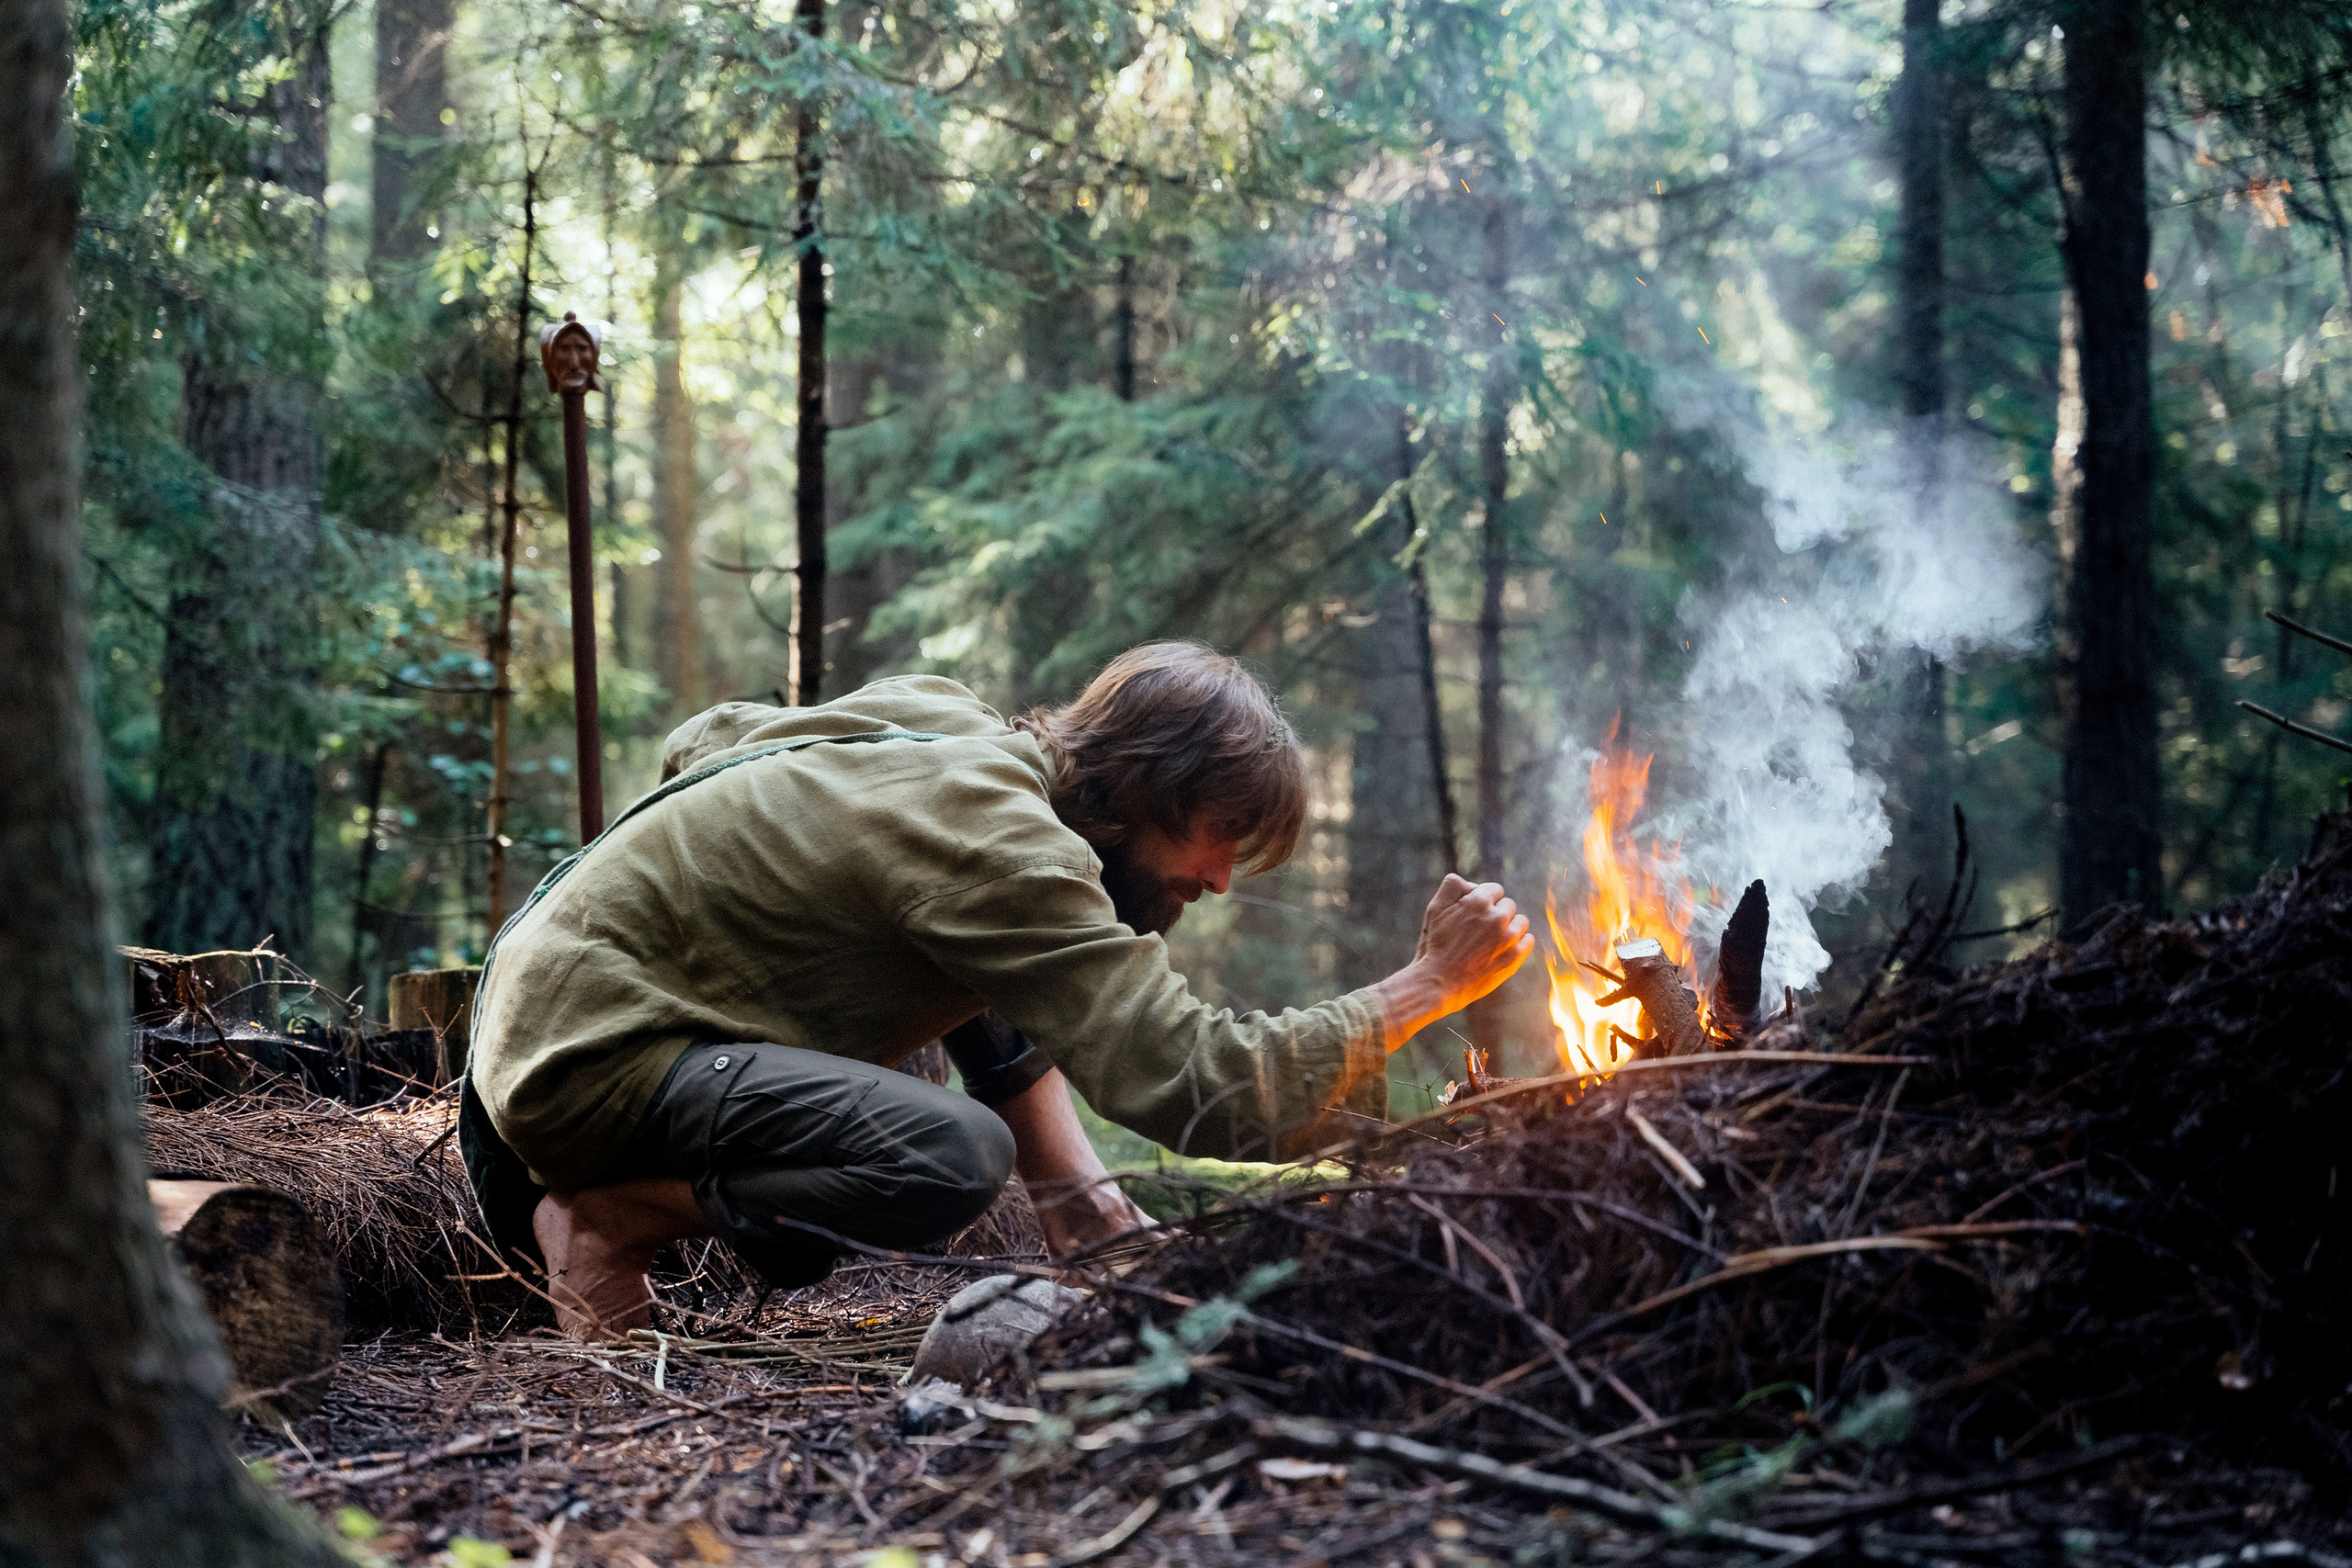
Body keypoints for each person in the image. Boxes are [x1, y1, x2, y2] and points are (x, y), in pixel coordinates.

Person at [462, 642, 1532, 1337]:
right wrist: (1424, 987)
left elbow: (709, 739)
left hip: (528, 1026)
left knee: (974, 1082)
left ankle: (1072, 1196)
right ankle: (607, 1218)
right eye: (1214, 841)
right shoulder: (1003, 843)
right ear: (1138, 790)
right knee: (945, 1154)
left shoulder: (949, 728)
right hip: (582, 1070)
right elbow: (1195, 1082)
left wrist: (1073, 1189)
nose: (1214, 882)